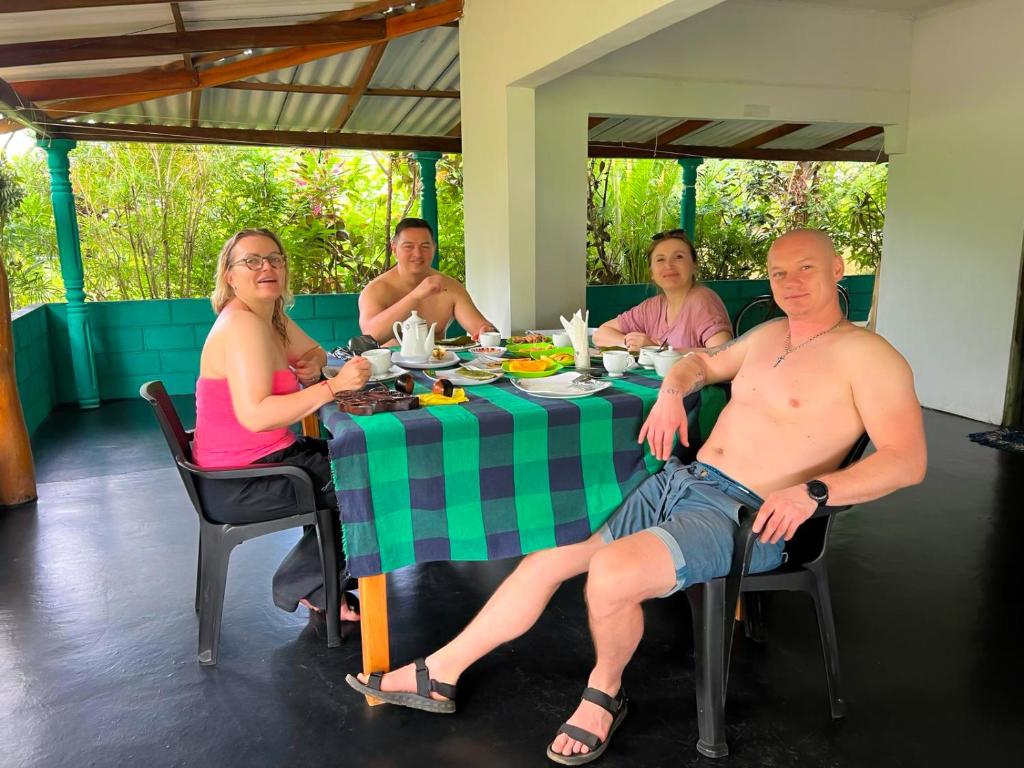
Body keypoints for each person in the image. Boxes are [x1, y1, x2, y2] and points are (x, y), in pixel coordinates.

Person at [344, 229, 928, 765]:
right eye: (778, 273)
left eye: (805, 268)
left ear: (839, 269)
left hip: (752, 516)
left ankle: (605, 693)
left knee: (612, 575)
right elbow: (702, 362)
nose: (791, 283)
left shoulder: (868, 356)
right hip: (683, 480)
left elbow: (907, 460)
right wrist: (674, 388)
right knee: (552, 552)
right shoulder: (770, 335)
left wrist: (815, 491)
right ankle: (439, 673)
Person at [193, 228, 371, 621]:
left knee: (361, 458)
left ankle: (319, 581)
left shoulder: (268, 316)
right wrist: (332, 386)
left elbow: (311, 349)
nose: (266, 267)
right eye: (251, 261)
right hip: (242, 480)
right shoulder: (241, 326)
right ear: (230, 275)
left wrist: (315, 361)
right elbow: (256, 416)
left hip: (261, 460)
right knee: (366, 478)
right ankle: (307, 582)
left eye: (275, 258)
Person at [359, 217, 497, 345]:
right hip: (393, 369)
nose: (418, 254)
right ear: (394, 250)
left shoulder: (450, 287)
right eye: (408, 246)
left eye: (425, 247)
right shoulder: (376, 289)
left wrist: (486, 332)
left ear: (434, 249)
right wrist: (415, 296)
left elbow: (480, 327)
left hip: (440, 366)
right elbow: (371, 335)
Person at [592, 229, 732, 351]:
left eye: (678, 257)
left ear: (694, 265)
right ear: (651, 272)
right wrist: (629, 344)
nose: (669, 265)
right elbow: (600, 334)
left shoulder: (702, 300)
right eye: (660, 260)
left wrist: (657, 350)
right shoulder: (652, 307)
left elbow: (722, 355)